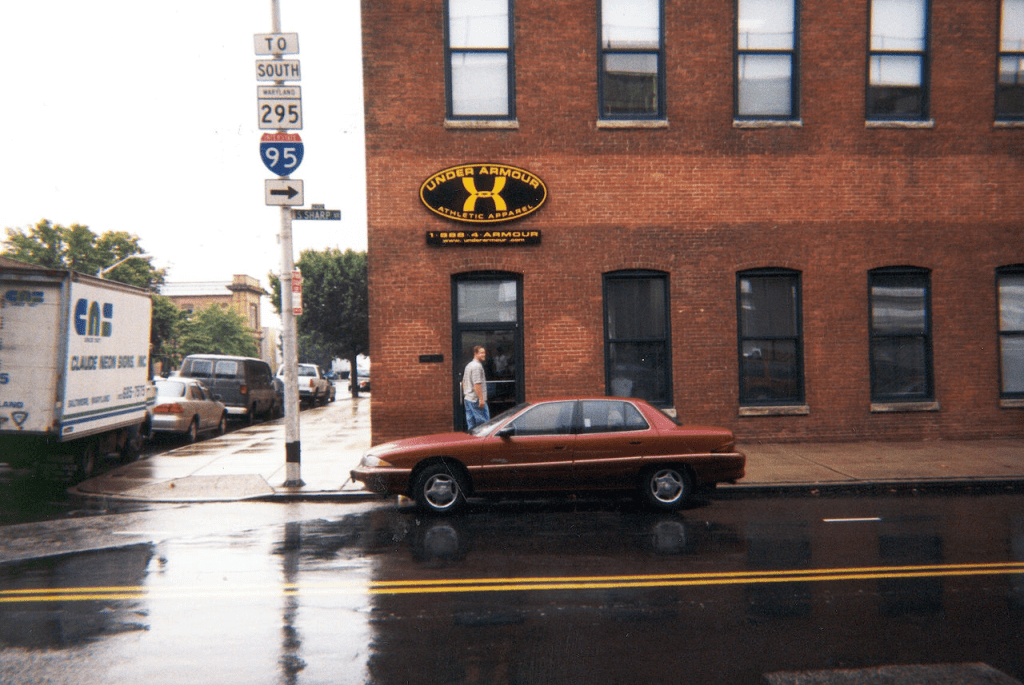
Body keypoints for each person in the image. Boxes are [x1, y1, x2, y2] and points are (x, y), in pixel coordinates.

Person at [462, 346, 490, 430]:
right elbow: (477, 384)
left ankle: (472, 438)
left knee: (471, 425)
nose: (484, 354)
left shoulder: (469, 365)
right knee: (483, 425)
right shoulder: (477, 366)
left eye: (484, 352)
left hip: (468, 399)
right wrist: (481, 399)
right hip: (476, 400)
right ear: (475, 353)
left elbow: (464, 382)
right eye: (481, 353)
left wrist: (466, 394)